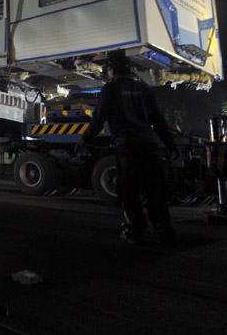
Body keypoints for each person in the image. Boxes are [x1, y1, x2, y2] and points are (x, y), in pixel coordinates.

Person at [75, 50, 179, 246]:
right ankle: (163, 230)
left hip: (128, 147)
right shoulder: (144, 89)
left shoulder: (110, 89)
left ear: (113, 70)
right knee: (155, 190)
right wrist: (170, 145)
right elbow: (159, 121)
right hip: (150, 146)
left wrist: (84, 138)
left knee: (128, 191)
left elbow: (98, 120)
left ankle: (135, 230)